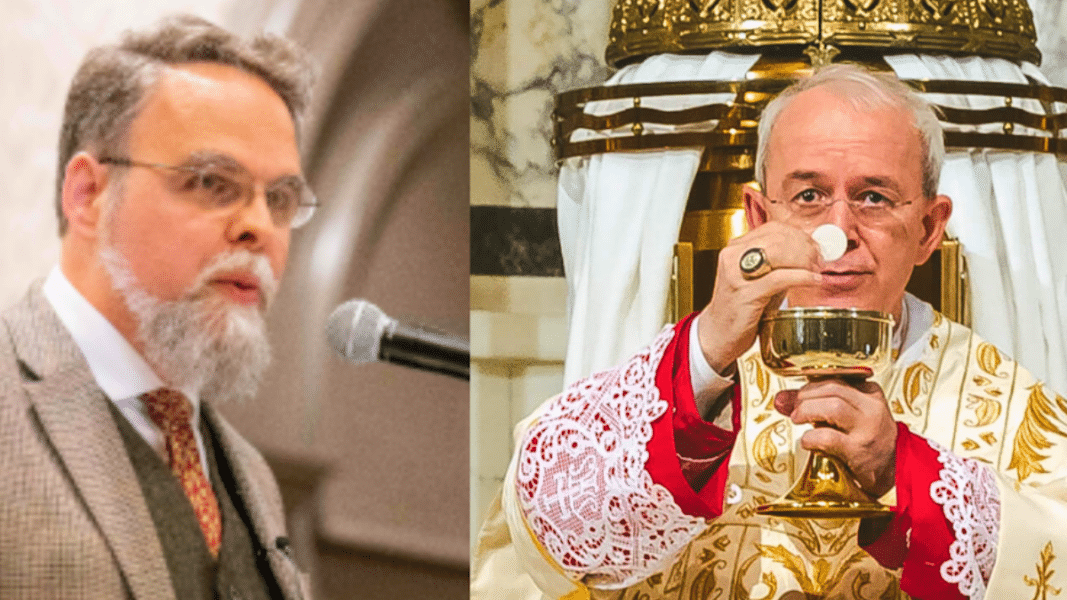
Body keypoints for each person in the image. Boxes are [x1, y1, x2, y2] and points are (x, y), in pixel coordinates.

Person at [473, 63, 1067, 600]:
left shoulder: (1011, 406)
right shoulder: (685, 372)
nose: (839, 230)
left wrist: (900, 470)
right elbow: (541, 537)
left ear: (930, 228)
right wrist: (704, 360)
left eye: (874, 197)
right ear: (759, 217)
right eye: (808, 195)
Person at [0, 15, 317, 599]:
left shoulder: (251, 478)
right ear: (88, 196)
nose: (258, 227)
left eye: (280, 199)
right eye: (212, 182)